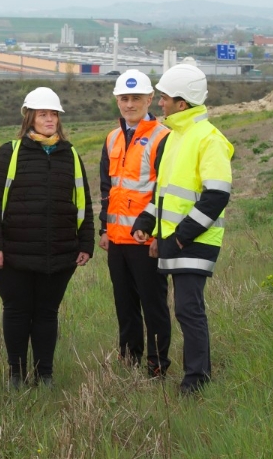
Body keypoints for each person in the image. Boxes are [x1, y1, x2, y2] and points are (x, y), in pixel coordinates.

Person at [0, 87, 94, 388]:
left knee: (47, 314)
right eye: (43, 114)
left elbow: (84, 201)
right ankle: (16, 375)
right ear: (30, 117)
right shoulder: (11, 152)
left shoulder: (70, 154)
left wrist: (86, 243)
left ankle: (45, 374)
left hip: (58, 253)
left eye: (54, 114)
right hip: (13, 254)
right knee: (17, 312)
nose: (50, 119)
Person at [132, 63, 234, 396]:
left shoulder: (209, 138)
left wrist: (178, 237)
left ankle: (196, 380)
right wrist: (148, 222)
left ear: (183, 102)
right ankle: (194, 376)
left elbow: (216, 195)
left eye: (164, 97)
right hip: (176, 239)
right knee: (182, 309)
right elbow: (165, 193)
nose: (159, 102)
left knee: (189, 310)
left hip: (196, 239)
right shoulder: (176, 137)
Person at [98, 70, 171, 378]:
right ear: (117, 100)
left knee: (153, 306)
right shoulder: (112, 137)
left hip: (145, 240)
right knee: (125, 307)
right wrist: (104, 228)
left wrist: (155, 232)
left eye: (136, 99)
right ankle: (129, 361)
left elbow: (165, 190)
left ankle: (157, 366)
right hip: (116, 240)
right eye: (124, 99)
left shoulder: (162, 136)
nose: (129, 105)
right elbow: (107, 187)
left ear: (149, 99)